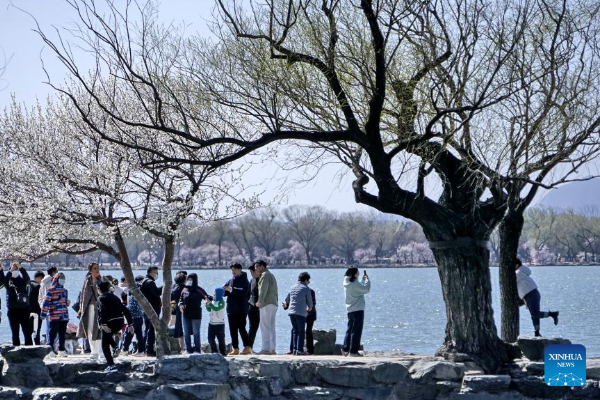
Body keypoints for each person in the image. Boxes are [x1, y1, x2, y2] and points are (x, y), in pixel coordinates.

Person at [97, 280, 134, 373]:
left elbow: (102, 310)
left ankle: (111, 365)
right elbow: (126, 310)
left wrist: (103, 324)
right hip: (119, 322)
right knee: (107, 335)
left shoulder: (101, 298)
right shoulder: (115, 297)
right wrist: (130, 324)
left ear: (99, 289)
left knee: (104, 344)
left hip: (110, 322)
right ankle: (115, 347)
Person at [516, 258, 559, 337]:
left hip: (530, 294)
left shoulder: (518, 273)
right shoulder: (523, 271)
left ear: (516, 265)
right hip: (533, 294)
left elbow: (512, 280)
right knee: (534, 315)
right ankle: (537, 332)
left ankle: (553, 314)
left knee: (535, 314)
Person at [1, 262, 33, 346]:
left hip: (24, 309)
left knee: (27, 332)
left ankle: (30, 351)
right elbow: (4, 281)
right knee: (15, 333)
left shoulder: (22, 281)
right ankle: (16, 352)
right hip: (12, 310)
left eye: (16, 269)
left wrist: (21, 268)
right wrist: (10, 271)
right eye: (13, 269)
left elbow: (27, 279)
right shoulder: (8, 281)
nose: (15, 270)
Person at [223, 263, 252, 355]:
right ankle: (235, 348)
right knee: (232, 329)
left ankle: (247, 347)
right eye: (232, 270)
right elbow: (226, 291)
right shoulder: (231, 280)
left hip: (241, 309)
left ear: (240, 269)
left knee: (242, 328)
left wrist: (231, 289)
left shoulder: (245, 281)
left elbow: (243, 292)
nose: (233, 272)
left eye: (234, 270)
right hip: (231, 309)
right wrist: (221, 292)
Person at [282, 272, 313, 356]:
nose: (308, 282)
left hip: (291, 312)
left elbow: (287, 299)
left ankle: (295, 349)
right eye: (308, 281)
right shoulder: (306, 288)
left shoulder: (292, 287)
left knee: (295, 331)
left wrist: (285, 305)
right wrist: (310, 308)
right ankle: (299, 350)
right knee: (301, 332)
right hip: (300, 312)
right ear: (306, 280)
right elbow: (310, 301)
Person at [342, 267, 370, 357]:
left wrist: (361, 280)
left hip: (350, 309)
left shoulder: (347, 282)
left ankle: (345, 349)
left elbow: (358, 288)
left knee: (350, 329)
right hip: (358, 309)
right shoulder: (354, 283)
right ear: (354, 274)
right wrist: (367, 280)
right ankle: (353, 351)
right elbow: (365, 289)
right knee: (356, 331)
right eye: (357, 273)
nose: (358, 274)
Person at [77, 262, 103, 359]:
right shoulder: (87, 281)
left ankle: (100, 351)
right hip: (89, 308)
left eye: (98, 268)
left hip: (99, 307)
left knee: (99, 329)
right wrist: (81, 308)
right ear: (90, 270)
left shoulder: (102, 280)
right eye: (95, 268)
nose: (97, 270)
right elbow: (83, 296)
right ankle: (94, 351)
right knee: (90, 329)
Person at [41, 273, 70, 357]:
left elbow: (64, 302)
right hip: (54, 315)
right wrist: (43, 313)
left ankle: (61, 349)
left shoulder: (65, 291)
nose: (63, 280)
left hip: (64, 316)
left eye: (64, 278)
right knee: (52, 333)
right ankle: (50, 349)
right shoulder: (51, 290)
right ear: (56, 279)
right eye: (61, 278)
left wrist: (67, 303)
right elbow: (46, 302)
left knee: (62, 334)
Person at [178, 273, 209, 354]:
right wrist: (180, 305)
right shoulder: (184, 289)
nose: (189, 281)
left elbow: (207, 297)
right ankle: (188, 349)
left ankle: (197, 349)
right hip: (185, 314)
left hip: (196, 314)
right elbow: (180, 300)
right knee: (186, 332)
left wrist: (207, 300)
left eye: (191, 279)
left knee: (196, 332)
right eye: (188, 279)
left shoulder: (199, 289)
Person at [254, 260, 278, 355]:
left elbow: (263, 289)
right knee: (271, 326)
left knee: (265, 326)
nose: (255, 269)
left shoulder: (265, 275)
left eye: (256, 267)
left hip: (266, 303)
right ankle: (272, 349)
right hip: (273, 302)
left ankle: (265, 349)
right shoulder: (270, 275)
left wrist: (260, 301)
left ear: (262, 266)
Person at [121, 275, 145, 356]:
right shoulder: (140, 294)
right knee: (139, 334)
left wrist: (123, 308)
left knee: (128, 333)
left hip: (133, 317)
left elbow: (132, 306)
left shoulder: (132, 295)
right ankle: (141, 351)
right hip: (140, 316)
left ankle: (125, 350)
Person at [141, 266, 162, 357]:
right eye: (155, 272)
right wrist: (164, 286)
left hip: (148, 309)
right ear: (150, 272)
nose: (156, 274)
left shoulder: (145, 281)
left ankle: (146, 349)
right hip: (152, 309)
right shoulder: (149, 282)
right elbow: (156, 292)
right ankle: (149, 350)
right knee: (150, 330)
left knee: (148, 329)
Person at [39, 266, 59, 346]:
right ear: (53, 273)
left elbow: (40, 296)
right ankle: (52, 347)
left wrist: (42, 305)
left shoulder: (43, 282)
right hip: (54, 308)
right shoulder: (53, 282)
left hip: (46, 308)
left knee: (49, 328)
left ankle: (50, 346)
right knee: (54, 328)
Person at [206, 287, 227, 356]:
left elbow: (216, 308)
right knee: (210, 338)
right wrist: (207, 305)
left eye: (215, 292)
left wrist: (210, 304)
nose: (213, 293)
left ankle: (223, 352)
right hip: (211, 324)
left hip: (220, 324)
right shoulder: (213, 301)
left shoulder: (222, 302)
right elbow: (210, 309)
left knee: (221, 339)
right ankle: (214, 351)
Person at [170, 273, 187, 353]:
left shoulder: (174, 290)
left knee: (180, 330)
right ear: (184, 280)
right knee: (188, 328)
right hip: (188, 310)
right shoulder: (187, 289)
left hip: (177, 311)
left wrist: (173, 307)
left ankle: (182, 348)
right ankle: (189, 347)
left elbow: (171, 301)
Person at [28, 270, 45, 345]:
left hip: (27, 311)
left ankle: (29, 345)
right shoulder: (38, 286)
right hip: (37, 310)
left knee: (29, 330)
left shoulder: (27, 284)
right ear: (39, 278)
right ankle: (37, 346)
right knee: (36, 330)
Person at [247, 263, 260, 353]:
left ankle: (249, 346)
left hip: (258, 306)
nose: (252, 274)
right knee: (253, 328)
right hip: (252, 307)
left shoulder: (261, 280)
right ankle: (248, 346)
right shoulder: (252, 280)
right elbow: (249, 294)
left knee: (254, 328)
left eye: (252, 272)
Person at [306, 287, 317, 355]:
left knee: (308, 331)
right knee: (295, 330)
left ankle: (310, 350)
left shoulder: (311, 291)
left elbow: (313, 303)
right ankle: (293, 348)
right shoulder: (310, 291)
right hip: (302, 313)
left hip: (310, 314)